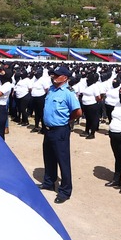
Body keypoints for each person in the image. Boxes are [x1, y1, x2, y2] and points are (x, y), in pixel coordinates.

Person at [38, 66, 82, 204]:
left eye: (57, 75)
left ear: (65, 77)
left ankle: (65, 191)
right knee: (49, 156)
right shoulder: (51, 89)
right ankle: (49, 182)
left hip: (60, 130)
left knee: (62, 160)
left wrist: (66, 120)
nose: (54, 77)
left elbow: (77, 112)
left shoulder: (68, 92)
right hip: (49, 129)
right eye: (53, 75)